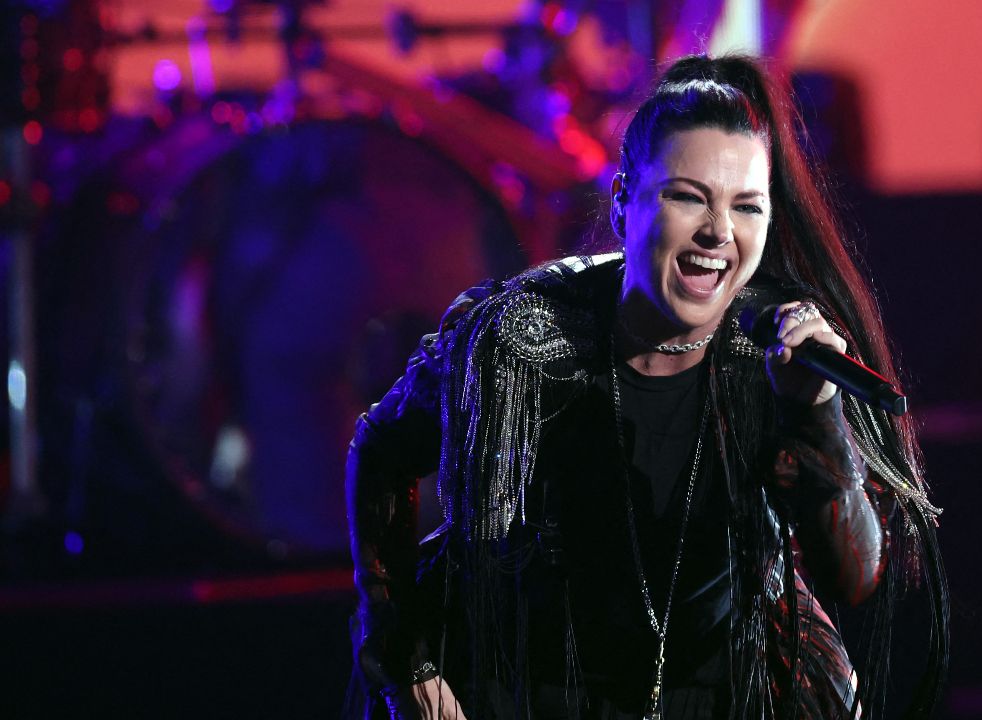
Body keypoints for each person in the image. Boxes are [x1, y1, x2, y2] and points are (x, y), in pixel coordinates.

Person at [345, 54, 948, 720]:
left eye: (747, 206)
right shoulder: (520, 338)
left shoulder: (772, 352)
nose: (719, 232)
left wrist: (817, 412)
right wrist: (405, 658)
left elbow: (854, 579)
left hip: (721, 694)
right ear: (623, 202)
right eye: (688, 197)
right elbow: (381, 451)